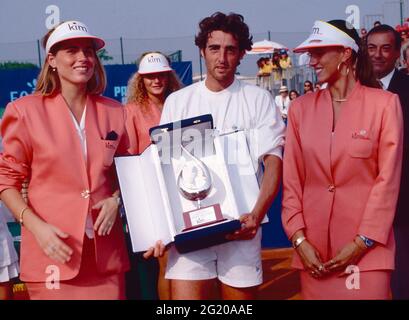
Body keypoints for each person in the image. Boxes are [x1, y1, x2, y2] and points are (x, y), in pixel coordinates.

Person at [148, 12, 285, 300]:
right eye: (214, 48)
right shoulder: (178, 102)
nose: (222, 57)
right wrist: (160, 228)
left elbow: (273, 163)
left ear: (241, 54)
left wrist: (257, 216)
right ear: (202, 51)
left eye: (230, 49)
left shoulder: (258, 99)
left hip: (242, 230)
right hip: (191, 232)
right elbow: (167, 172)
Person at [0, 20, 130, 299]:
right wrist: (37, 228)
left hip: (105, 258)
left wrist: (116, 199)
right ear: (52, 60)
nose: (83, 58)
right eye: (72, 50)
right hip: (51, 254)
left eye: (89, 51)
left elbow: (130, 172)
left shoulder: (116, 112)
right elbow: (7, 182)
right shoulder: (24, 112)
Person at [282, 19, 403, 300]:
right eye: (311, 54)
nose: (312, 61)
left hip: (368, 253)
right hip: (314, 255)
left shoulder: (384, 104)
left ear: (346, 53)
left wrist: (363, 241)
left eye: (320, 53)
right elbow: (292, 183)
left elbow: (388, 182)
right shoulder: (300, 110)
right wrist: (299, 240)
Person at [124, 51, 181, 300]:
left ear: (168, 77)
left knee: (183, 263)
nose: (156, 81)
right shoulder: (131, 111)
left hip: (182, 193)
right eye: (150, 77)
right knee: (165, 262)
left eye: (161, 75)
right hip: (152, 198)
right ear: (141, 80)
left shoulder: (179, 104)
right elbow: (131, 160)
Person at [366, 24, 409, 300]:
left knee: (403, 283)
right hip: (362, 206)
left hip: (403, 207)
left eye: (385, 48)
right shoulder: (353, 90)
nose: (378, 55)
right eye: (371, 48)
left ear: (396, 53)